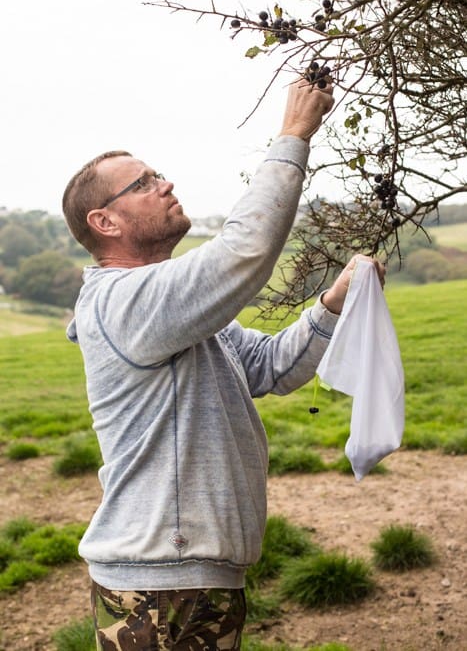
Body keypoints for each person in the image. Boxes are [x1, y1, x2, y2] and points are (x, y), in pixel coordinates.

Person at [62, 77, 384, 651]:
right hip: (158, 589)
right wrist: (293, 135)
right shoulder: (122, 301)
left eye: (158, 174)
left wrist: (333, 304)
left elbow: (274, 369)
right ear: (104, 222)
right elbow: (243, 253)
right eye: (144, 182)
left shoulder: (173, 313)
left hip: (193, 579)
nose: (166, 185)